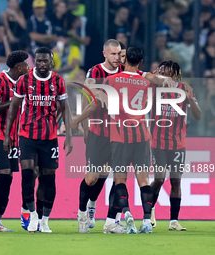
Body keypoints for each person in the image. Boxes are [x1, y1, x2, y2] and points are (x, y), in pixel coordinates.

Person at [71, 40, 175, 234]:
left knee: (115, 177)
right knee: (93, 178)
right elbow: (90, 90)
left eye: (120, 54)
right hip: (99, 131)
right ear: (104, 54)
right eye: (113, 54)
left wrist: (162, 79)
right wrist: (81, 121)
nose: (117, 58)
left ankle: (112, 221)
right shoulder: (95, 72)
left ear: (124, 57)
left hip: (118, 133)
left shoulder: (122, 74)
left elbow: (148, 75)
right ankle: (83, 211)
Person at [3, 47, 72, 233]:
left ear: (51, 61)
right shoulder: (24, 80)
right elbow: (13, 108)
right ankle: (32, 216)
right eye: (39, 61)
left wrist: (69, 136)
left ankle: (45, 220)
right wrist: (8, 134)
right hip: (27, 136)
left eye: (45, 61)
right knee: (27, 174)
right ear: (36, 62)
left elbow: (64, 109)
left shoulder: (58, 81)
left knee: (48, 179)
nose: (42, 64)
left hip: (49, 138)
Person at [150, 61, 201, 231]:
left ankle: (173, 221)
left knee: (176, 181)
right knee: (158, 179)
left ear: (176, 74)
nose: (165, 75)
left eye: (168, 72)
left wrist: (190, 100)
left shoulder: (185, 88)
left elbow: (198, 115)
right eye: (162, 72)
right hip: (157, 141)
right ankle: (148, 210)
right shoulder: (155, 87)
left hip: (178, 143)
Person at [107, 46, 153, 234]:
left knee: (120, 180)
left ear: (124, 61)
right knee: (144, 180)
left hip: (119, 136)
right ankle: (148, 221)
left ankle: (126, 214)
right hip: (142, 135)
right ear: (140, 63)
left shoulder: (111, 80)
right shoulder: (146, 83)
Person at [0, 50, 29, 232]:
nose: (29, 67)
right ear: (19, 68)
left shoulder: (24, 83)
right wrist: (15, 102)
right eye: (26, 64)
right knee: (4, 172)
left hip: (14, 136)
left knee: (9, 177)